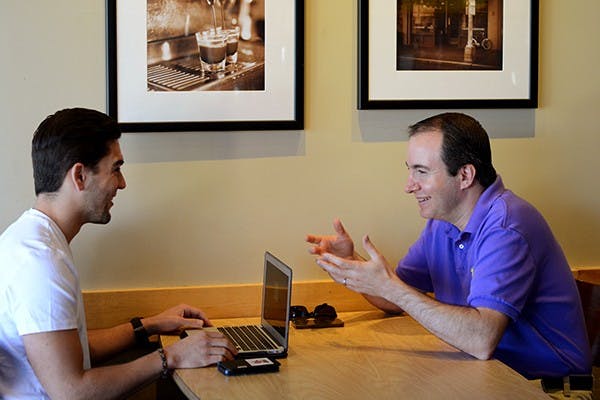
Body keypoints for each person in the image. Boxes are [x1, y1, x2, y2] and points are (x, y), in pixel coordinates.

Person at [306, 113, 593, 398]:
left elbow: (481, 340)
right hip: (488, 373)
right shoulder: (442, 223)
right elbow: (395, 298)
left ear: (465, 175)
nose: (409, 185)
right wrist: (351, 262)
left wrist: (393, 289)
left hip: (547, 388)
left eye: (421, 171)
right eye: (410, 170)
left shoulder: (507, 227)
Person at [0, 108, 237, 399]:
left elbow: (73, 350)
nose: (122, 183)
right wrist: (172, 357)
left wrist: (151, 324)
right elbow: (72, 392)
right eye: (116, 168)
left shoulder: (27, 239)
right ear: (80, 176)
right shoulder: (41, 262)